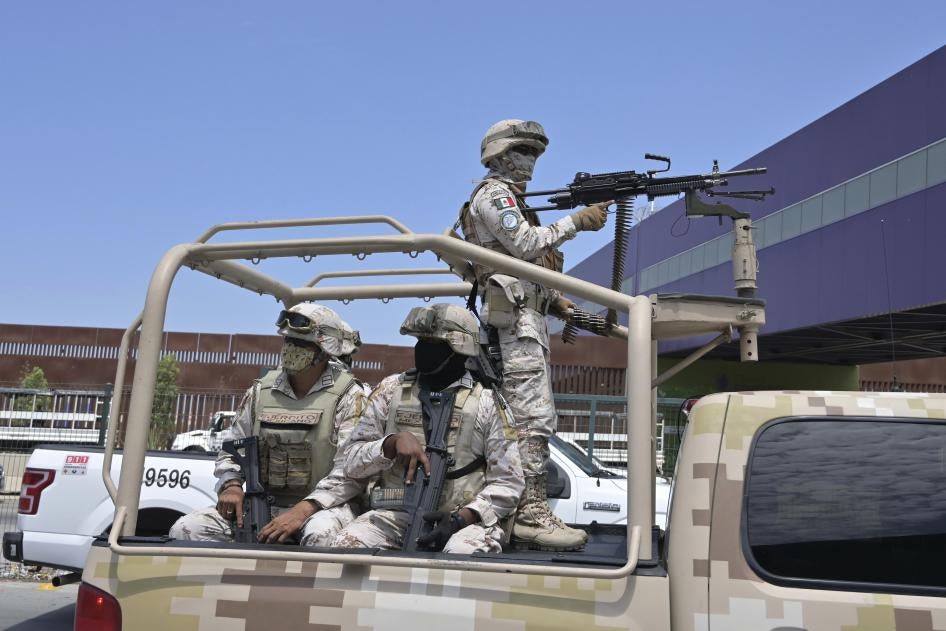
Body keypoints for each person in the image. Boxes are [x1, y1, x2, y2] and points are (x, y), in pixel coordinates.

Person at [457, 119, 610, 550]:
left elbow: (524, 264)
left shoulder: (516, 199)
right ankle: (529, 513)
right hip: (514, 326)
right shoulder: (494, 195)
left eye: (535, 154)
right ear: (500, 153)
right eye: (523, 151)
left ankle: (520, 508)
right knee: (531, 421)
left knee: (529, 419)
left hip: (527, 319)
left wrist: (556, 300)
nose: (530, 162)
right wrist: (576, 222)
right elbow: (524, 245)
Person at [328, 303, 523, 554]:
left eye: (434, 344)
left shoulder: (487, 403)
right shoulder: (391, 391)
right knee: (345, 546)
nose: (423, 350)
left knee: (463, 554)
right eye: (421, 341)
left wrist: (460, 519)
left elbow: (509, 483)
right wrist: (389, 444)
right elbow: (350, 462)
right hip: (396, 515)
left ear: (460, 349)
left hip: (463, 522)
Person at [169, 303, 368, 546]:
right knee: (187, 530)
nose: (292, 349)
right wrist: (231, 485)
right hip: (263, 505)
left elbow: (351, 471)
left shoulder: (349, 396)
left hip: (323, 508)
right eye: (288, 341)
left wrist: (303, 510)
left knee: (321, 536)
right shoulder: (260, 392)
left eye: (303, 344)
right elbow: (231, 450)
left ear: (325, 350)